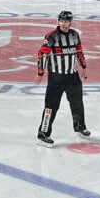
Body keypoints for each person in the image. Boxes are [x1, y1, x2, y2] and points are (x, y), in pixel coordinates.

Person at [35, 10, 89, 146]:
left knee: (77, 102)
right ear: (58, 21)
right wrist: (40, 73)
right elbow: (42, 54)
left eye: (67, 21)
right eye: (62, 21)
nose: (64, 24)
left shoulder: (75, 34)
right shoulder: (52, 35)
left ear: (71, 22)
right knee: (51, 106)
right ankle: (43, 134)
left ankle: (80, 126)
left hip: (72, 76)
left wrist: (84, 67)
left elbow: (79, 51)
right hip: (56, 78)